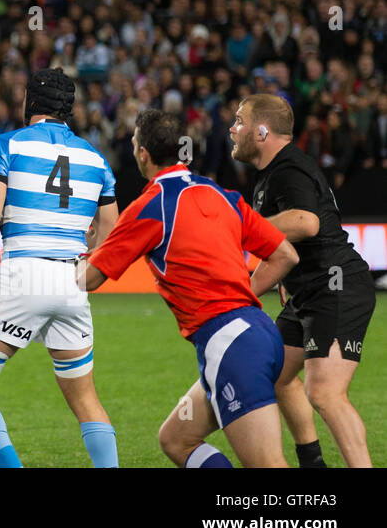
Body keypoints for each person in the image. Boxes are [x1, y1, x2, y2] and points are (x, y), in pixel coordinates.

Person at [83, 110, 299, 467]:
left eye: (136, 142)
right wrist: (242, 294)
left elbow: (89, 278)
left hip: (229, 344)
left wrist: (35, 272)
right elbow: (285, 255)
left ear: (143, 154)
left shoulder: (151, 205)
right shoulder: (222, 194)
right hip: (256, 333)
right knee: (176, 439)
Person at [0, 69, 119, 468]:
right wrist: (86, 257)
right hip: (72, 280)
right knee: (84, 399)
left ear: (31, 101)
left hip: (24, 271)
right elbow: (112, 232)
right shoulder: (95, 158)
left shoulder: (6, 144)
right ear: (69, 109)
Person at [230, 93, 376, 467]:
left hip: (335, 286)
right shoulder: (271, 175)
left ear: (262, 131)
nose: (232, 129)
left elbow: (306, 222)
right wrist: (236, 298)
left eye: (240, 121)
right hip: (309, 293)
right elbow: (281, 251)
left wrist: (243, 226)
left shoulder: (287, 169)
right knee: (275, 375)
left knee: (325, 392)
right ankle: (313, 463)